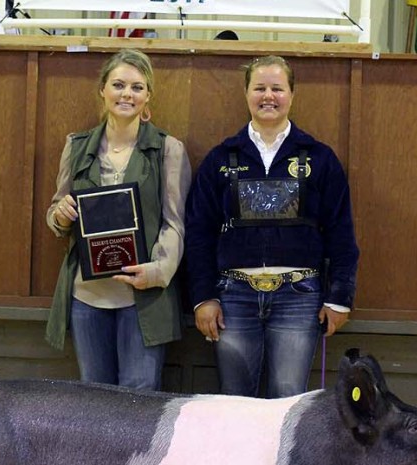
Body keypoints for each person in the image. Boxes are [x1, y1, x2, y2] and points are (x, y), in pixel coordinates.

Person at [185, 55, 359, 398]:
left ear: (292, 94)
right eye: (259, 88)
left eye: (277, 88)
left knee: (289, 395)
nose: (268, 96)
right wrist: (203, 297)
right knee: (234, 398)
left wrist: (339, 298)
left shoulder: (320, 158)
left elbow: (341, 231)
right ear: (246, 93)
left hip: (299, 297)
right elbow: (198, 233)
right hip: (233, 298)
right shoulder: (220, 159)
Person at [45, 49, 191, 391]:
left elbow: (175, 222)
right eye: (119, 85)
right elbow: (55, 213)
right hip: (88, 296)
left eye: (137, 87)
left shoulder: (169, 149)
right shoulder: (76, 146)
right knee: (94, 399)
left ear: (148, 96)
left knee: (138, 400)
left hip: (143, 295)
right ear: (103, 90)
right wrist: (61, 213)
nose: (127, 94)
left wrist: (156, 272)